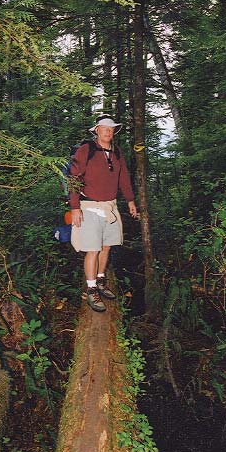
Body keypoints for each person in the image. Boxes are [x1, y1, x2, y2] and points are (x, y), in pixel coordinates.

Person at [69, 115, 138, 312]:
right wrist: (75, 207)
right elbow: (73, 178)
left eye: (111, 129)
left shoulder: (116, 152)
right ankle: (91, 289)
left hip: (110, 206)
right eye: (104, 128)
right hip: (89, 207)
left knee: (106, 247)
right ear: (97, 130)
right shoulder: (86, 150)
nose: (108, 131)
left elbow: (123, 178)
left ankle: (100, 280)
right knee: (93, 249)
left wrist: (131, 200)